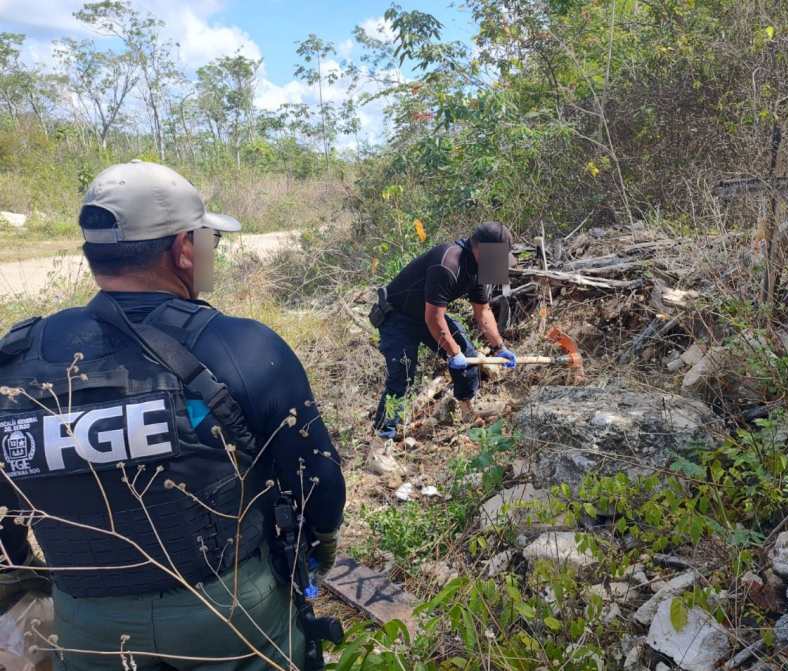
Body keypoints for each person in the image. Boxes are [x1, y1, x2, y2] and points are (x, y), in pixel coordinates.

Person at [0, 160, 345, 670]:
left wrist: (26, 571)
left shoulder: (18, 358)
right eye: (210, 240)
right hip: (229, 609)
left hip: (89, 625)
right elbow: (317, 481)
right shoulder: (241, 346)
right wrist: (322, 546)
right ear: (184, 250)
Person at [371, 222, 517, 438]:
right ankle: (382, 438)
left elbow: (483, 311)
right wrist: (452, 352)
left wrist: (499, 347)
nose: (498, 263)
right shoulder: (449, 264)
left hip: (426, 314)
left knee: (468, 356)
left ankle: (467, 409)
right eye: (496, 256)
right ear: (480, 249)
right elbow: (434, 318)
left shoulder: (480, 265)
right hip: (397, 317)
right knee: (402, 376)